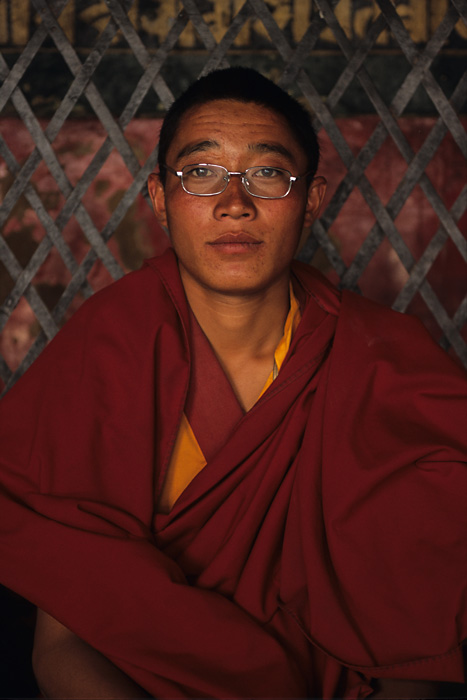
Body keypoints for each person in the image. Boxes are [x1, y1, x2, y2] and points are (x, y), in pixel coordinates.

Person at [0, 67, 465, 699]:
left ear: (313, 201)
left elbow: (414, 659)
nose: (235, 203)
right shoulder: (104, 354)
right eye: (202, 173)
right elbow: (62, 648)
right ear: (161, 199)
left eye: (268, 174)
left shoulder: (387, 369)